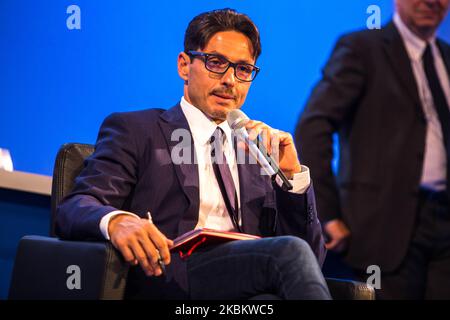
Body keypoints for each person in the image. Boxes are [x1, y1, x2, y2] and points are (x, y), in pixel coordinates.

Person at [56, 8, 330, 300]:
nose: (230, 80)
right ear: (184, 65)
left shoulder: (258, 150)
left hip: (245, 284)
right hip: (169, 276)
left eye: (243, 69)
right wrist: (117, 221)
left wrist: (291, 179)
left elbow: (309, 258)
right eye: (216, 63)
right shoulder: (138, 130)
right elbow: (75, 206)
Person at [295, 0, 450, 299]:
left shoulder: (446, 57)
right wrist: (325, 213)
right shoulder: (362, 48)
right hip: (382, 228)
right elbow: (313, 127)